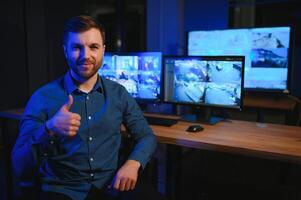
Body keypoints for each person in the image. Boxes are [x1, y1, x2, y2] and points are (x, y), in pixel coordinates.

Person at [12, 15, 158, 200]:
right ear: (65, 51)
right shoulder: (42, 98)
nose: (85, 55)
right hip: (62, 189)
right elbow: (18, 163)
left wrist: (133, 163)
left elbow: (146, 135)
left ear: (103, 50)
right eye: (77, 47)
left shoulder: (118, 94)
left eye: (93, 47)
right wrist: (48, 129)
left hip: (111, 185)